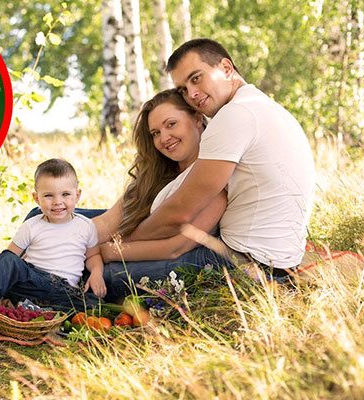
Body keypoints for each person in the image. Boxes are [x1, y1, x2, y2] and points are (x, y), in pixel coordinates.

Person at [0, 89, 231, 302]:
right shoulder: (158, 172)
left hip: (167, 255)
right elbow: (110, 222)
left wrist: (103, 251)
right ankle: (7, 277)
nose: (163, 138)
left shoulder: (213, 173)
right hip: (130, 239)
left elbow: (176, 246)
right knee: (41, 216)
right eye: (155, 132)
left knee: (97, 275)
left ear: (197, 119)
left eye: (171, 124)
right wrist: (70, 238)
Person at [126, 39, 316, 278]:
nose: (192, 94)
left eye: (196, 78)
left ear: (226, 68)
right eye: (183, 89)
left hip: (244, 264)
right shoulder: (261, 106)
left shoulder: (235, 114)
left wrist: (122, 243)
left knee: (110, 274)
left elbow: (180, 212)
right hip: (278, 263)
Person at [0, 158, 105, 326]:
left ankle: (30, 308)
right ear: (36, 198)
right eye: (49, 195)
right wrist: (7, 273)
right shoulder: (32, 226)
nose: (58, 201)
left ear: (77, 195)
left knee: (94, 305)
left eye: (65, 194)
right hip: (32, 280)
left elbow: (93, 255)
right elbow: (9, 258)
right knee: (7, 260)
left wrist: (96, 273)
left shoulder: (86, 225)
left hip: (63, 290)